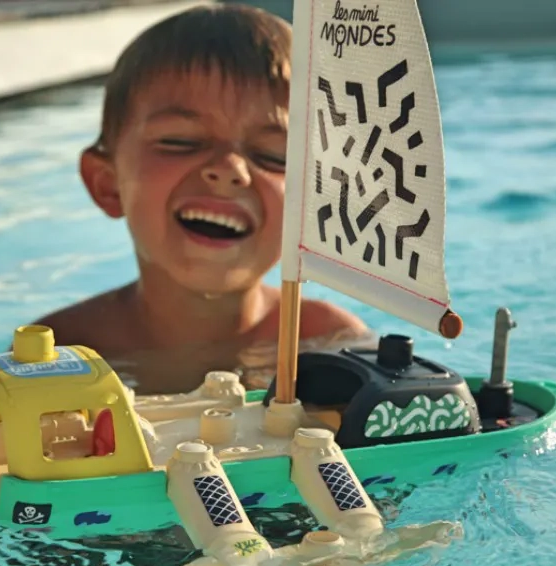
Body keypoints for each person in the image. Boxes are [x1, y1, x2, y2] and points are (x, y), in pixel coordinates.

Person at [32, 4, 369, 392]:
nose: (229, 169)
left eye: (274, 155)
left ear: (313, 203)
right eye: (181, 141)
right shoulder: (59, 353)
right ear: (108, 185)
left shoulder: (327, 342)